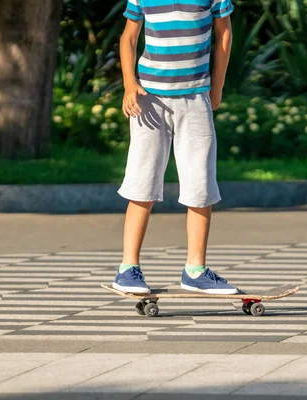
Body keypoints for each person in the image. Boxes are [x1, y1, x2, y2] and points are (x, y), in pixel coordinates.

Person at [112, 0, 238, 295]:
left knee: (201, 184)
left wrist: (217, 85)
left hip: (195, 98)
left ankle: (195, 270)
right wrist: (129, 84)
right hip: (148, 98)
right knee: (142, 182)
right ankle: (127, 269)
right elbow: (129, 37)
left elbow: (224, 34)